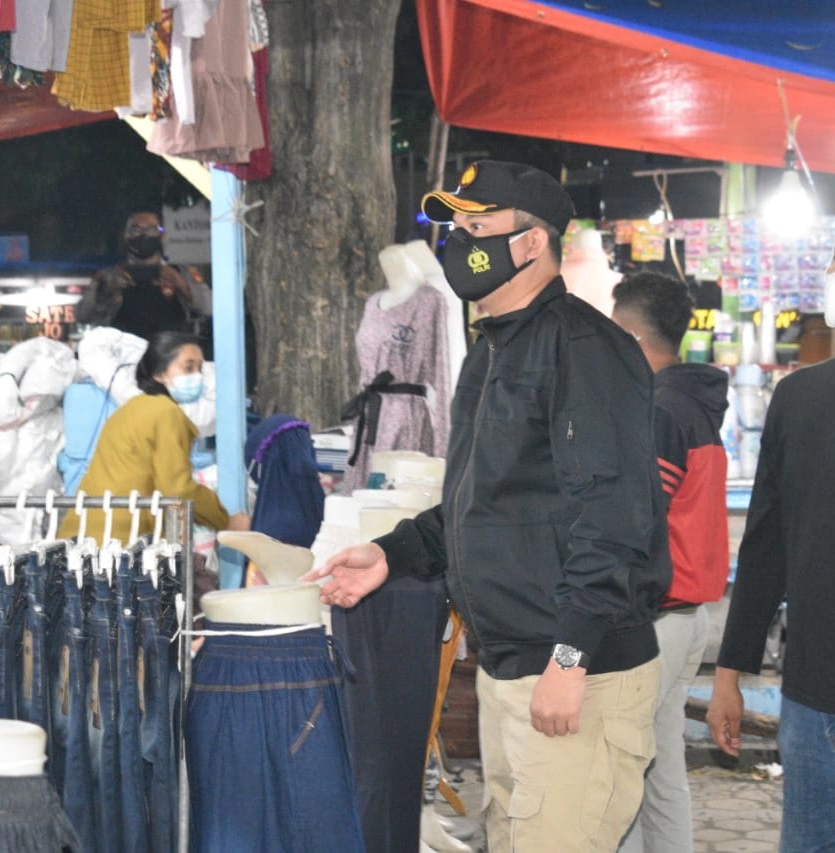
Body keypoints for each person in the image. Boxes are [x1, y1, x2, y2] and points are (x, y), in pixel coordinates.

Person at [304, 160, 671, 851]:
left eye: (477, 226)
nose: (458, 241)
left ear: (532, 243)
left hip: (576, 674)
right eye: (455, 226)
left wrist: (570, 656)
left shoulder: (586, 349)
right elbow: (479, 502)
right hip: (513, 668)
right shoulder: (493, 351)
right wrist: (392, 552)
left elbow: (615, 515)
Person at [611, 272, 729, 853]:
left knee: (620, 773)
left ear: (630, 336)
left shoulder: (660, 410)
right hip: (688, 617)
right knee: (661, 771)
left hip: (657, 619)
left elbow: (637, 523)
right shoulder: (693, 403)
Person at [707, 357, 835, 851]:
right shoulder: (798, 396)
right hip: (814, 693)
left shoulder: (799, 394)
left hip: (815, 688)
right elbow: (766, 546)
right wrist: (728, 674)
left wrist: (728, 676)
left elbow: (763, 547)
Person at [57, 330, 248, 543]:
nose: (197, 376)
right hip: (118, 540)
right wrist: (226, 520)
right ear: (159, 374)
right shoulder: (166, 413)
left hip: (86, 532)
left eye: (199, 369)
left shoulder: (133, 408)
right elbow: (177, 488)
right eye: (187, 367)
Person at [78, 210, 211, 346]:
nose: (144, 235)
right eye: (136, 230)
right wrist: (105, 290)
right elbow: (82, 315)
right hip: (124, 354)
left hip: (170, 354)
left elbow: (209, 308)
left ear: (162, 234)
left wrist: (181, 284)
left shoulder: (182, 273)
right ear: (126, 235)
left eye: (151, 229)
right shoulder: (109, 276)